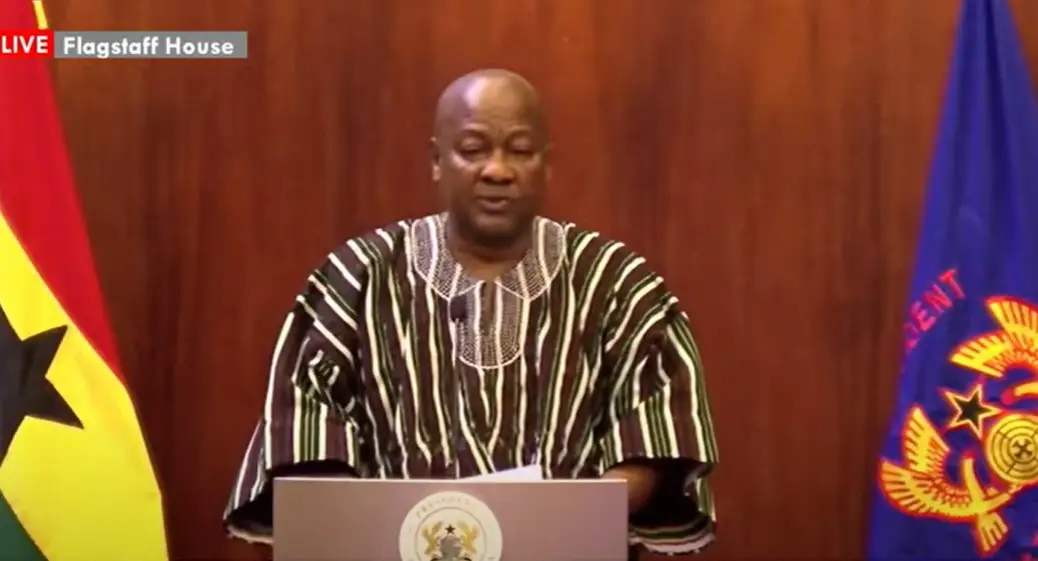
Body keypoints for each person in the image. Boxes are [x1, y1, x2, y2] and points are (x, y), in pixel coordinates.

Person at [223, 68, 720, 557]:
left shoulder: (616, 283)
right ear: (437, 161)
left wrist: (559, 517)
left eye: (519, 150)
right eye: (474, 149)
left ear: (547, 165)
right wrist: (395, 525)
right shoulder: (358, 277)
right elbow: (306, 435)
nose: (497, 170)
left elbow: (655, 437)